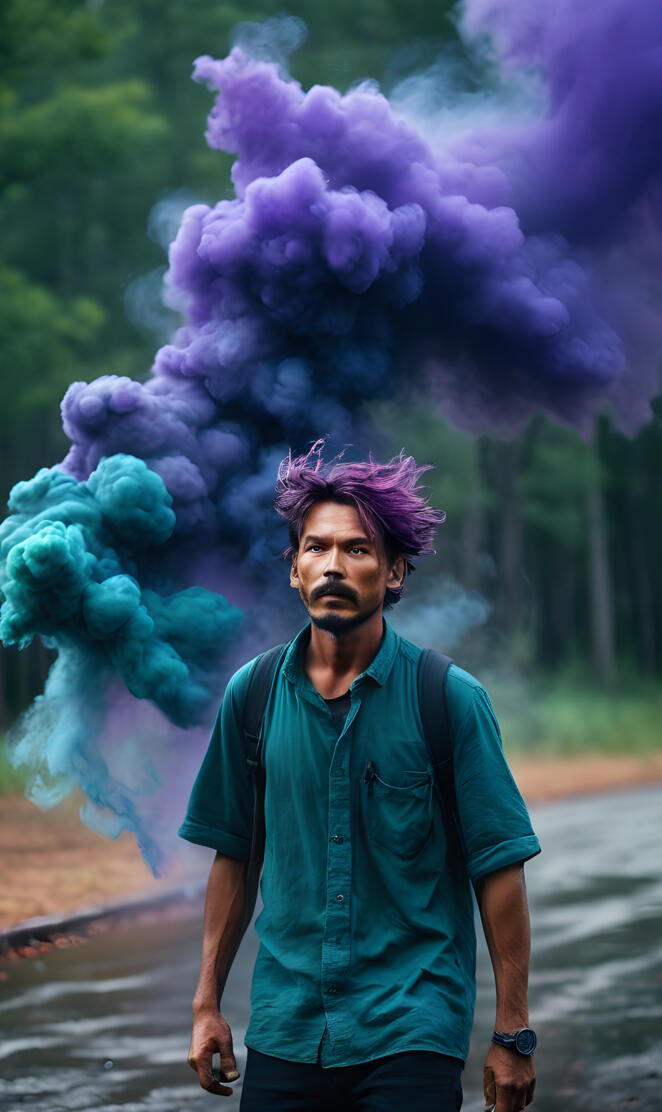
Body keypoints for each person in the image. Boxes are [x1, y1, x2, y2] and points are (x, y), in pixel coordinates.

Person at [178, 443, 541, 1112]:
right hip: (286, 1027)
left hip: (411, 1025)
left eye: (358, 549)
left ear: (394, 571)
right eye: (315, 548)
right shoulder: (252, 697)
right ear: (294, 570)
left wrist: (512, 1031)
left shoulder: (448, 699)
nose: (333, 566)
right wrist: (206, 1004)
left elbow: (498, 868)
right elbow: (235, 855)